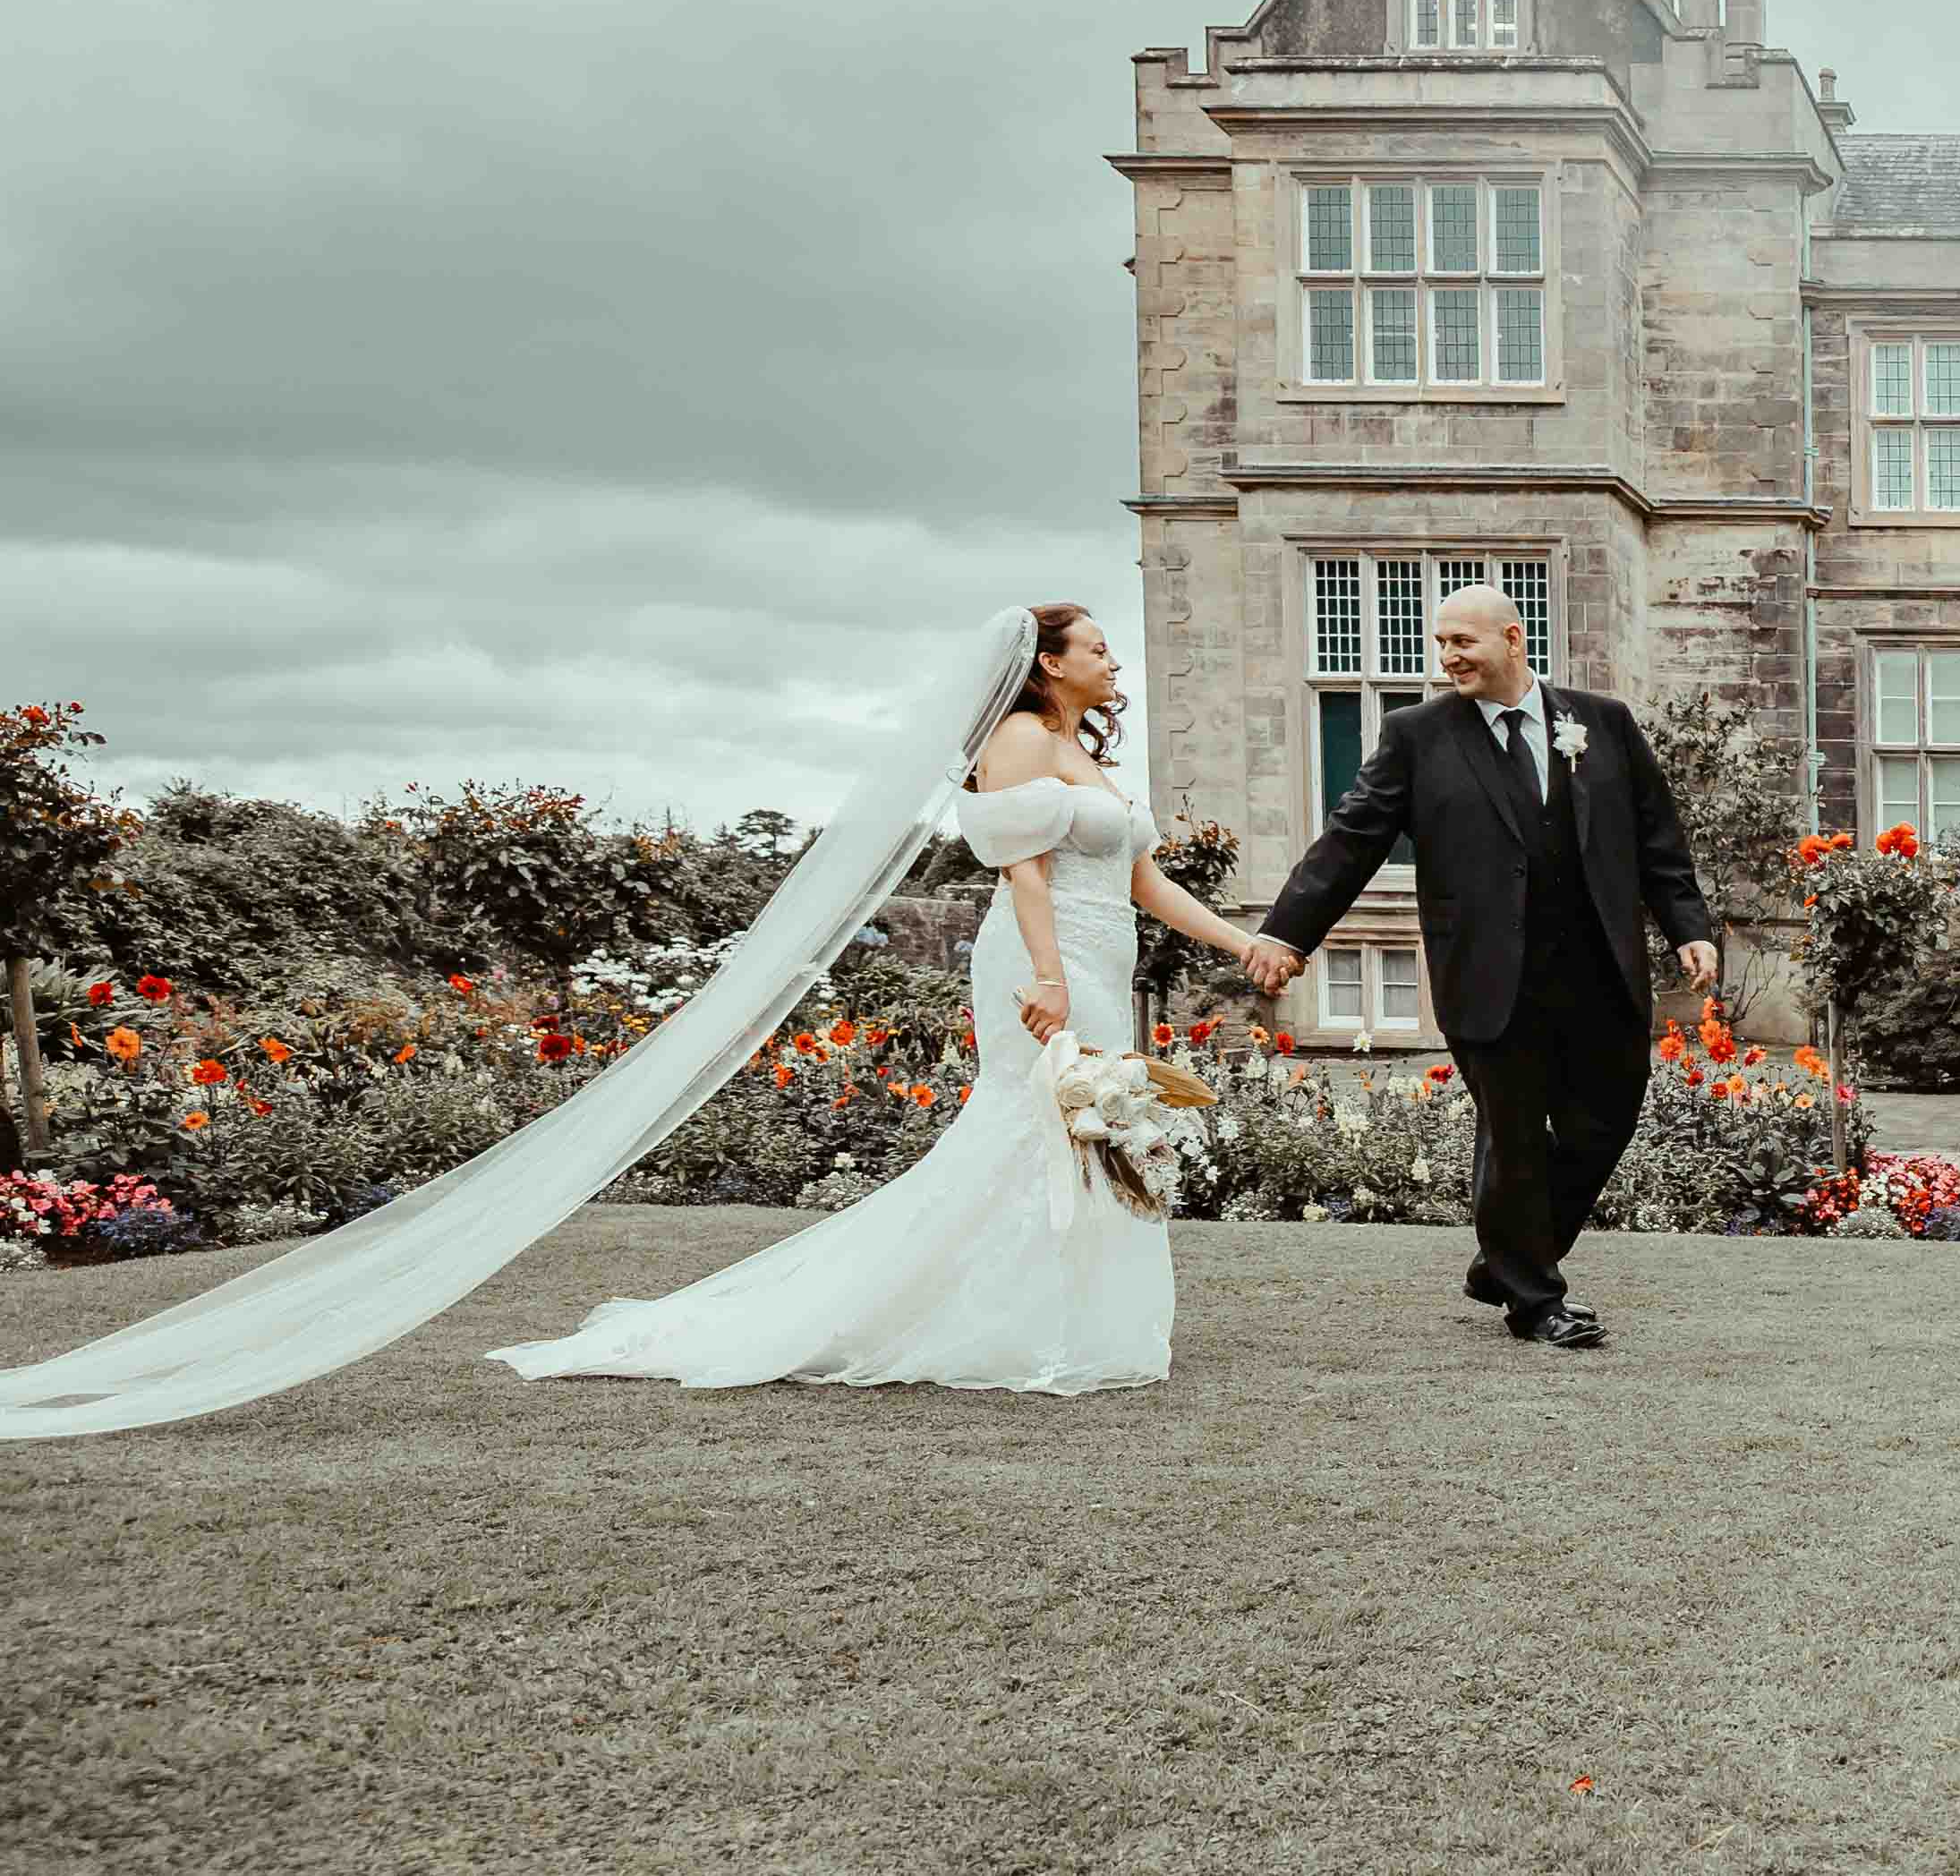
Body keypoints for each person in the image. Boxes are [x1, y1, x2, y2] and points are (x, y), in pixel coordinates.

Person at [490, 605, 1292, 1395]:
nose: (1113, 663)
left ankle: (1070, 1317)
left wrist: (1243, 942)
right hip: (1044, 958)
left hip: (1101, 959)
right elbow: (1024, 870)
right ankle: (997, 1321)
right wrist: (1049, 977)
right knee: (1037, 1119)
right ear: (1051, 663)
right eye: (1098, 648)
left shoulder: (1079, 749)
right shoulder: (1018, 738)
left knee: (1092, 1125)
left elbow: (1144, 881)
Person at [1252, 584, 1717, 1351]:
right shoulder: (1417, 735)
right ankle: (1536, 1299)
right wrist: (1286, 933)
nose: (1447, 657)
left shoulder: (1602, 722)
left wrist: (1687, 928)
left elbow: (1657, 839)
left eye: (1461, 641)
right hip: (1487, 973)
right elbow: (1350, 840)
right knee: (1515, 1136)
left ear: (1512, 637)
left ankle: (1502, 1258)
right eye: (1440, 643)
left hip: (1600, 969)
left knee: (1606, 1120)